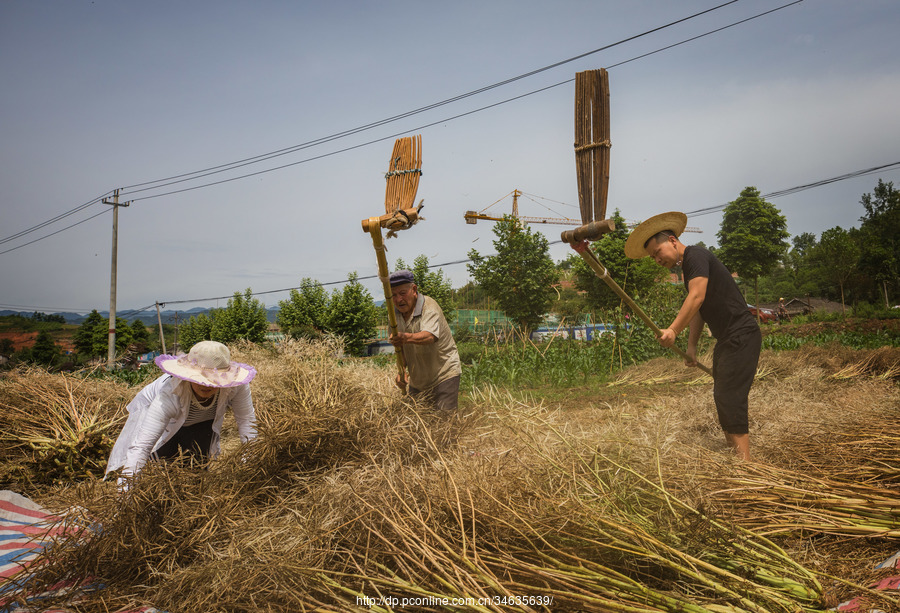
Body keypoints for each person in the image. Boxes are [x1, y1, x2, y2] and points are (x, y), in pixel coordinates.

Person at [624, 212, 761, 461]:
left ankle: (747, 466)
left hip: (741, 335)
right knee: (722, 394)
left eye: (657, 251)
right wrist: (691, 347)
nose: (656, 259)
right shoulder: (690, 269)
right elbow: (699, 308)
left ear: (673, 240)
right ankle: (737, 457)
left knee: (730, 396)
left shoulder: (695, 255)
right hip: (727, 339)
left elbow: (696, 296)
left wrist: (673, 330)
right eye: (652, 257)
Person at [106, 340, 258, 482]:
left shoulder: (236, 386)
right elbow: (142, 446)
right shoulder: (170, 393)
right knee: (160, 468)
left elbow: (246, 422)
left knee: (197, 467)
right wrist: (125, 491)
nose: (207, 385)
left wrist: (252, 468)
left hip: (201, 421)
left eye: (215, 381)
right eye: (201, 379)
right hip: (164, 421)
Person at [388, 269, 461, 412]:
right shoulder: (393, 315)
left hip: (444, 373)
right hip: (418, 380)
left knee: (444, 422)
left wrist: (406, 337)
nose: (398, 300)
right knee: (416, 422)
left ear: (414, 290)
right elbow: (400, 348)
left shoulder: (429, 306)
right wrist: (401, 371)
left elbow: (429, 336)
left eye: (402, 293)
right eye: (393, 295)